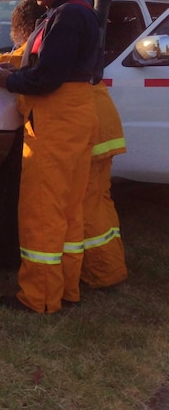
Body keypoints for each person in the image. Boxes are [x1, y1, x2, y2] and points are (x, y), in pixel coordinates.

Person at [0, 0, 100, 314]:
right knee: (67, 211)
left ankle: (38, 297)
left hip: (56, 124)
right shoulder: (73, 13)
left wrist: (8, 80)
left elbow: (47, 77)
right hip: (72, 119)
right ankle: (65, 289)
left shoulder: (66, 17)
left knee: (41, 212)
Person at [81, 82, 128, 289]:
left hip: (92, 132)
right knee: (100, 200)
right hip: (103, 127)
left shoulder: (52, 48)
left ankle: (104, 273)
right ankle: (112, 265)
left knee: (87, 205)